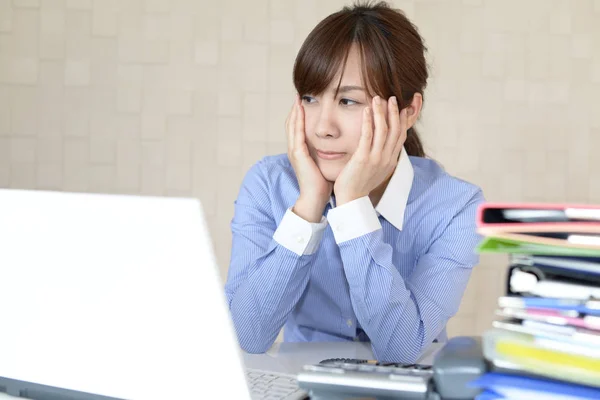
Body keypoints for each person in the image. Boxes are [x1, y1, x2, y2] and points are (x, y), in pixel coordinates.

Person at [224, 1, 484, 363]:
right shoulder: (268, 184)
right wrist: (310, 204)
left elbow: (402, 350)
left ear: (408, 111)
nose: (322, 127)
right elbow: (245, 337)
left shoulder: (457, 206)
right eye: (310, 98)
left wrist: (350, 204)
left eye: (348, 101)